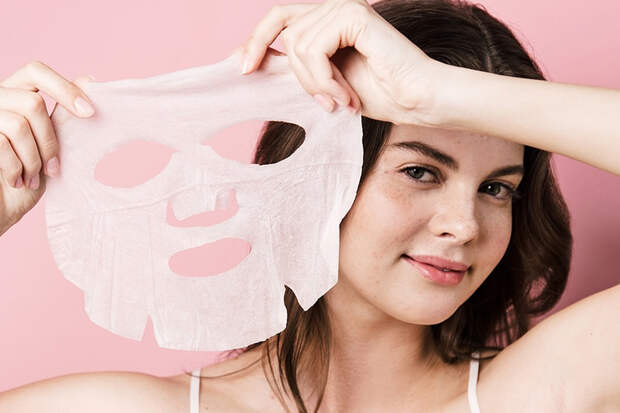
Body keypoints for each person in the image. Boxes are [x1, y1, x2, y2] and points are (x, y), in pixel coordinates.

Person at [0, 0, 618, 412]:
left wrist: (432, 94)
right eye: (419, 171)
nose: (463, 226)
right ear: (312, 174)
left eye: (497, 188)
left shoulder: (540, 394)